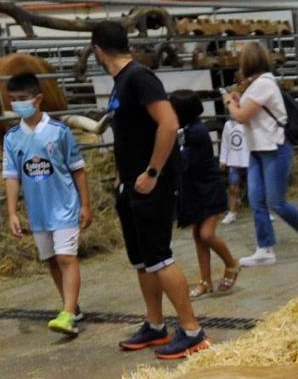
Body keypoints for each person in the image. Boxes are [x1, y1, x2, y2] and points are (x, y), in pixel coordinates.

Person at [92, 21, 204, 359]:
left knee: (159, 257)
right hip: (130, 182)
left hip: (149, 182)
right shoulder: (121, 82)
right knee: (142, 260)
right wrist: (121, 175)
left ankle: (192, 331)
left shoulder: (139, 76)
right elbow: (130, 134)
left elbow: (168, 123)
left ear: (97, 49)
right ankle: (155, 325)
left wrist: (153, 172)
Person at [0, 71, 92, 337]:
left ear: (38, 98)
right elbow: (11, 176)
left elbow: (78, 169)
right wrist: (12, 213)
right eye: (13, 99)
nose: (18, 104)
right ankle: (71, 306)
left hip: (64, 205)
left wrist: (86, 205)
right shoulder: (12, 137)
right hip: (38, 211)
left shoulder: (59, 132)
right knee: (52, 260)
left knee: (66, 257)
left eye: (23, 98)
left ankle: (67, 314)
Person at [222, 41, 298, 269]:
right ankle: (264, 248)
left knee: (276, 202)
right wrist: (238, 102)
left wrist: (230, 102)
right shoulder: (258, 85)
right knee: (257, 200)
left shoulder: (263, 85)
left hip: (274, 149)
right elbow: (248, 112)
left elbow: (241, 116)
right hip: (258, 149)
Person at [169, 90, 239, 296]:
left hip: (207, 188)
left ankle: (232, 264)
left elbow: (185, 162)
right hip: (194, 188)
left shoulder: (196, 132)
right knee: (198, 237)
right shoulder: (187, 128)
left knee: (206, 234)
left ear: (182, 111)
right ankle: (205, 281)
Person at [218, 100, 248, 225]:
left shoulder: (248, 122)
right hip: (234, 159)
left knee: (255, 185)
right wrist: (223, 159)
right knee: (232, 187)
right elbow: (225, 143)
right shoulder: (228, 125)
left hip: (247, 158)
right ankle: (232, 212)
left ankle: (265, 211)